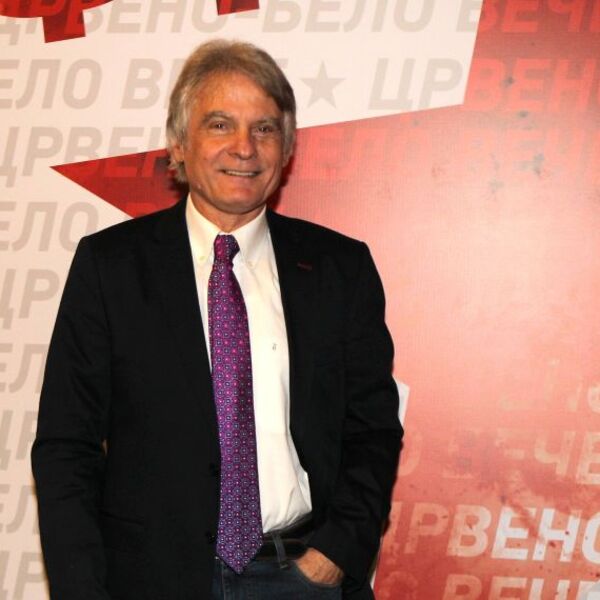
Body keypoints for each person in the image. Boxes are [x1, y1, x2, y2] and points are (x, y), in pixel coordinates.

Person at [32, 39, 402, 600]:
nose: (244, 148)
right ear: (179, 144)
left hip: (301, 578)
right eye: (220, 124)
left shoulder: (340, 268)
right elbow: (67, 445)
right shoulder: (111, 267)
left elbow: (372, 429)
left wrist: (335, 554)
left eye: (264, 128)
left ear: (287, 149)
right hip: (152, 582)